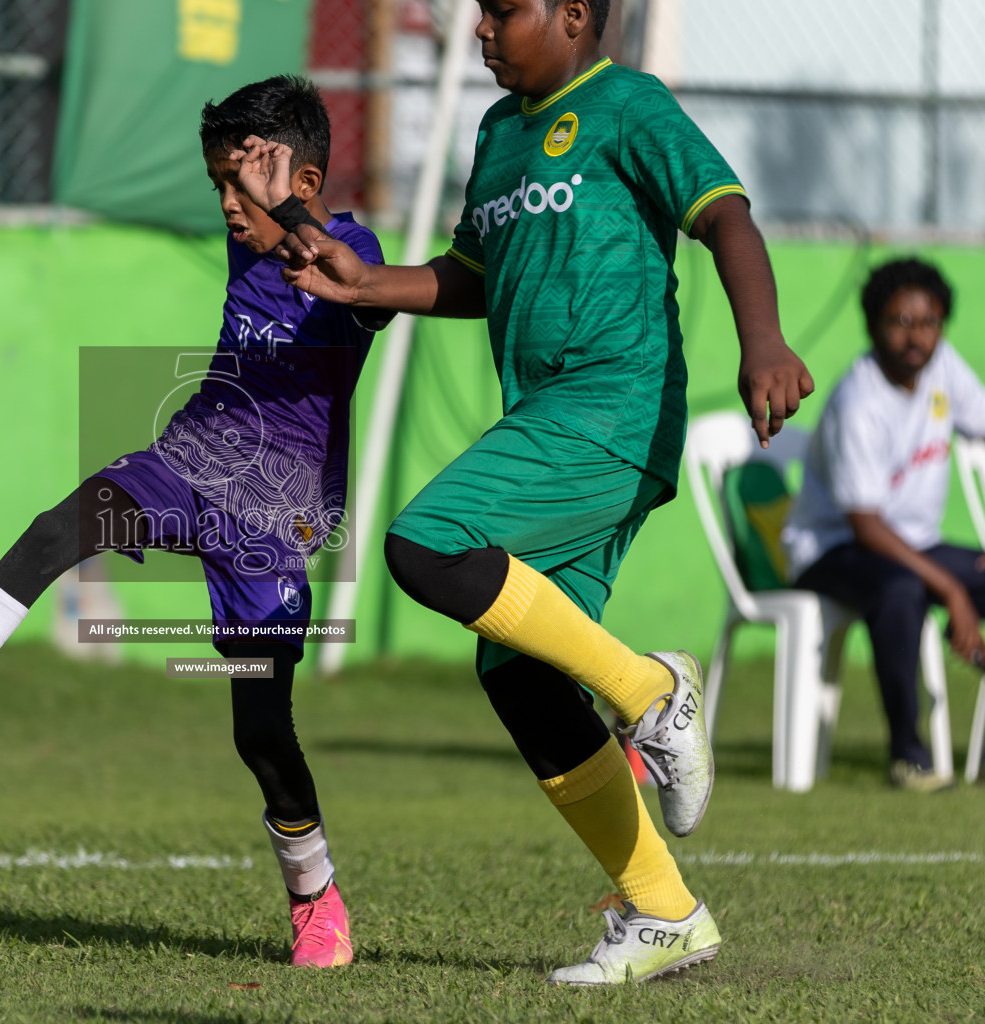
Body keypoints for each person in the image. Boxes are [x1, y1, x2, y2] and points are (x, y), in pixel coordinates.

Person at [233, 0, 813, 985]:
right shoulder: (499, 133)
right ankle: (668, 912)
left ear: (576, 15)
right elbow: (470, 274)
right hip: (554, 415)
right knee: (518, 674)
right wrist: (363, 282)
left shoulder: (628, 104)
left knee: (427, 541)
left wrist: (765, 339)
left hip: (613, 408)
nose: (482, 29)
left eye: (505, 10)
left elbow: (725, 217)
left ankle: (650, 689)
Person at [0, 75, 392, 969]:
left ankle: (315, 896)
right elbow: (263, 219)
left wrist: (296, 222)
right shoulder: (251, 236)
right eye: (218, 185)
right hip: (189, 460)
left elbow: (375, 294)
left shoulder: (352, 249)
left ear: (304, 182)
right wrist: (259, 195)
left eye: (238, 185)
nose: (227, 206)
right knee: (60, 529)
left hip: (272, 516)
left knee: (261, 729)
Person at [782, 258, 985, 792]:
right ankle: (908, 755)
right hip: (831, 549)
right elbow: (866, 526)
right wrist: (953, 593)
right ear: (873, 325)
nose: (916, 336)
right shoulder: (859, 401)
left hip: (914, 544)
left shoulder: (943, 370)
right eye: (900, 322)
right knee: (900, 589)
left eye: (929, 322)